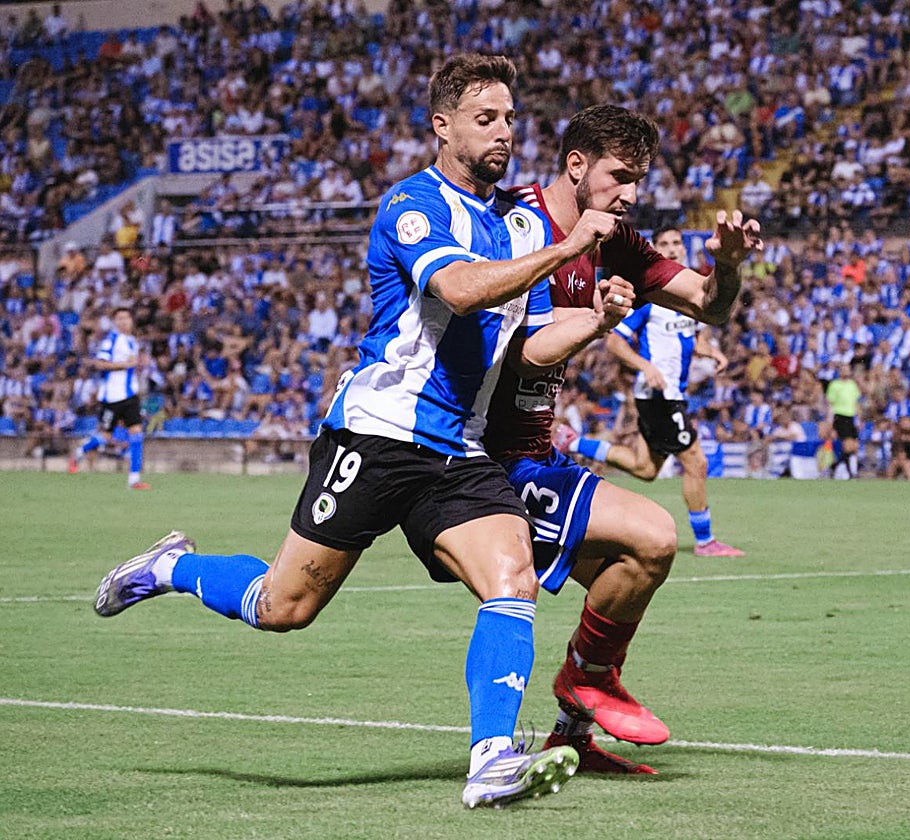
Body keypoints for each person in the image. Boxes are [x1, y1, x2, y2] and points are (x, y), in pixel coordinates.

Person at [90, 54, 635, 810]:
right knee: (283, 606)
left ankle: (490, 763)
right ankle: (171, 568)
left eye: (510, 118)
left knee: (510, 582)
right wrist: (567, 250)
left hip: (461, 452)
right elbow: (458, 289)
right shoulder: (414, 205)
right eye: (486, 119)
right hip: (377, 437)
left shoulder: (512, 224)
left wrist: (599, 318)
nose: (504, 131)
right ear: (442, 127)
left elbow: (525, 338)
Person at [483, 104, 760, 776]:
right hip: (475, 453)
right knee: (293, 601)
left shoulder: (614, 240)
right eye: (620, 175)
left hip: (534, 449)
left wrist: (726, 266)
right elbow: (521, 355)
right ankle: (580, 688)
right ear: (576, 165)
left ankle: (573, 728)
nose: (632, 193)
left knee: (637, 559)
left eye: (639, 178)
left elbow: (706, 303)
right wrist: (600, 321)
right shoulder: (515, 225)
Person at [555, 227, 745, 557]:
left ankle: (572, 442)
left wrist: (710, 351)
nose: (671, 249)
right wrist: (646, 367)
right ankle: (705, 541)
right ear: (655, 250)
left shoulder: (690, 297)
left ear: (684, 250)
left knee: (645, 468)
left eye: (676, 244)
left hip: (668, 395)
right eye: (664, 245)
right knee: (696, 463)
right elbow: (614, 342)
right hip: (659, 395)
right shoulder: (651, 298)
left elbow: (689, 338)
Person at [69, 307, 151, 490]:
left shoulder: (132, 341)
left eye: (126, 318)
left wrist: (138, 366)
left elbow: (132, 366)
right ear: (115, 322)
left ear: (132, 321)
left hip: (130, 396)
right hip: (112, 397)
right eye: (119, 318)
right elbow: (99, 363)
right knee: (105, 436)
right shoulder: (111, 340)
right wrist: (125, 365)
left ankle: (134, 480)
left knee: (137, 434)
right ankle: (79, 452)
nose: (123, 321)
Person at [824, 364, 861, 478]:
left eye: (847, 369)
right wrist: (830, 422)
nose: (845, 371)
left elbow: (856, 403)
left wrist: (859, 419)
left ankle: (835, 466)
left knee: (854, 446)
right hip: (840, 416)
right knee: (847, 445)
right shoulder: (834, 385)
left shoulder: (852, 385)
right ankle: (850, 472)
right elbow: (830, 405)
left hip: (851, 417)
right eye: (843, 369)